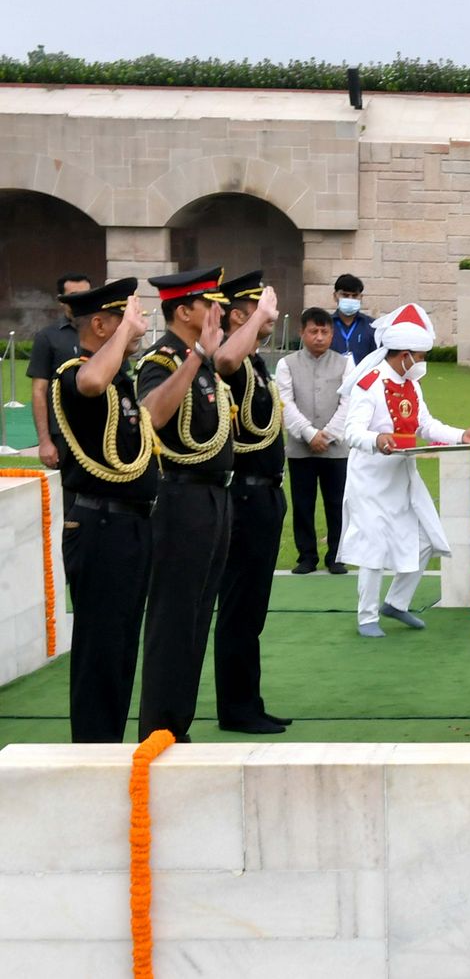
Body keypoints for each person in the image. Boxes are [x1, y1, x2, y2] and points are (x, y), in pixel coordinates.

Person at [136, 266, 278, 741]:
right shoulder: (163, 360)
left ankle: (177, 724)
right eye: (208, 303)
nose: (219, 310)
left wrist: (202, 356)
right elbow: (153, 414)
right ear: (184, 312)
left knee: (197, 618)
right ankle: (160, 727)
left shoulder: (201, 360)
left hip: (215, 496)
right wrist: (197, 357)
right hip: (180, 497)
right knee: (174, 618)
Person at [336, 303, 470, 637]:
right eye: (419, 357)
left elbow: (426, 425)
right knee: (374, 548)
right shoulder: (370, 384)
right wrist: (377, 439)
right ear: (404, 355)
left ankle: (396, 603)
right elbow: (351, 432)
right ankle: (367, 617)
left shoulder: (411, 384)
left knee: (427, 538)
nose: (422, 363)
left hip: (404, 474)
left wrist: (461, 435)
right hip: (370, 479)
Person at [51, 279, 158, 742]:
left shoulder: (120, 380)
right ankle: (92, 750)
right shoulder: (76, 374)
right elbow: (91, 382)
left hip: (130, 525)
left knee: (121, 646)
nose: (138, 326)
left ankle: (108, 745)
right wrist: (126, 333)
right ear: (100, 325)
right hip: (99, 525)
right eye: (126, 318)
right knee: (100, 649)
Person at [212, 271, 294, 735]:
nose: (271, 317)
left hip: (265, 494)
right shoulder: (234, 361)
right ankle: (236, 709)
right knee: (239, 608)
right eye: (260, 311)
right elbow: (224, 358)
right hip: (243, 495)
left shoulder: (257, 365)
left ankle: (249, 701)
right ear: (237, 317)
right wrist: (256, 318)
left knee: (252, 610)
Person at [275, 306, 350, 575]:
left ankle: (337, 556)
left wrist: (326, 435)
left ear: (332, 334)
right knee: (303, 504)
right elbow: (285, 403)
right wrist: (309, 434)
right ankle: (306, 556)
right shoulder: (287, 364)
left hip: (336, 448)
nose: (319, 337)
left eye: (324, 331)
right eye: (313, 331)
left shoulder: (345, 363)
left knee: (337, 503)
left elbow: (348, 403)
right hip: (300, 447)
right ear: (302, 332)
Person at [28, 272, 94, 506]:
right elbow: (39, 391)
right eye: (74, 295)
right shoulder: (48, 337)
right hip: (64, 435)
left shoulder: (103, 333)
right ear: (61, 300)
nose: (81, 300)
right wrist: (45, 441)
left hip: (99, 432)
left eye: (85, 294)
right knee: (68, 504)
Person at [330, 273, 377, 364]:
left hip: (363, 373)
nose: (350, 299)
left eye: (355, 296)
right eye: (345, 295)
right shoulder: (325, 325)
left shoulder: (372, 326)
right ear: (335, 296)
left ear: (361, 297)